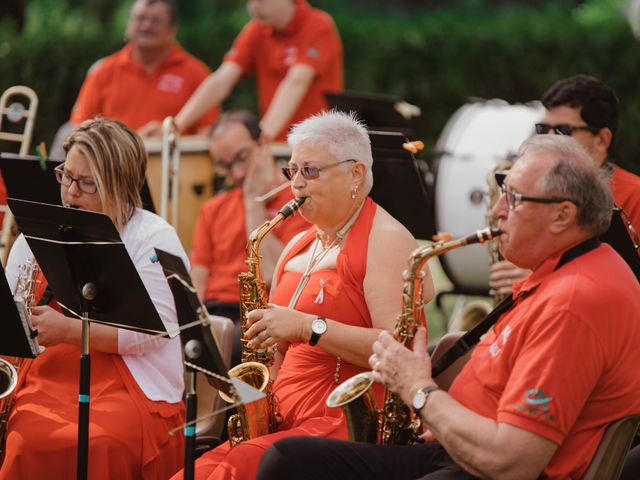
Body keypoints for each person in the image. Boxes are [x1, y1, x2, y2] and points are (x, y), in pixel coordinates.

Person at [257, 135, 640, 480]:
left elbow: (513, 462)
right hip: (455, 452)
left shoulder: (573, 302)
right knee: (287, 459)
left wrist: (419, 390)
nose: (497, 211)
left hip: (481, 470)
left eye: (515, 199)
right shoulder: (564, 272)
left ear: (563, 215)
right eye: (503, 192)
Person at [170, 111, 433, 480]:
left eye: (309, 171)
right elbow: (274, 354)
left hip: (341, 423)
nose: (296, 184)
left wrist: (309, 327)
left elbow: (398, 350)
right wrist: (247, 397)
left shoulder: (386, 238)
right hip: (283, 420)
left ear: (355, 174)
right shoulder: (295, 244)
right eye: (290, 171)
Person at [0, 118, 187, 479]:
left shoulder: (154, 238)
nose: (70, 193)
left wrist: (71, 331)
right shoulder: (34, 234)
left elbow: (151, 334)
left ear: (122, 185)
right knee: (26, 438)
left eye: (87, 183)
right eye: (66, 176)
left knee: (101, 443)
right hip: (50, 372)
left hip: (128, 381)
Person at [490, 74, 640, 295]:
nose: (548, 139)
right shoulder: (539, 188)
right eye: (542, 130)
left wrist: (538, 274)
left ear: (602, 140)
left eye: (563, 131)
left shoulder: (635, 195)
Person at [191, 109, 309, 366]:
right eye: (225, 165)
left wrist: (253, 206)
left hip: (260, 314)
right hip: (213, 312)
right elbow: (197, 282)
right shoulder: (214, 208)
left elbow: (271, 273)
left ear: (263, 144)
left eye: (241, 158)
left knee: (231, 342)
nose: (237, 173)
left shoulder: (300, 204)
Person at [158, 0, 343, 142]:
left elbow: (295, 83)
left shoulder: (318, 25)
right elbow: (223, 78)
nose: (254, 7)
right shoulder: (257, 30)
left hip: (318, 144)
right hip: (276, 145)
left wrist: (261, 137)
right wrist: (175, 126)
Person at [70, 0, 219, 136]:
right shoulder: (103, 71)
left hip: (172, 162)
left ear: (172, 29)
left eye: (156, 21)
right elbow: (81, 129)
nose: (146, 26)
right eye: (140, 19)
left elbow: (207, 133)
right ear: (128, 25)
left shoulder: (196, 73)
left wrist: (168, 138)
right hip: (114, 164)